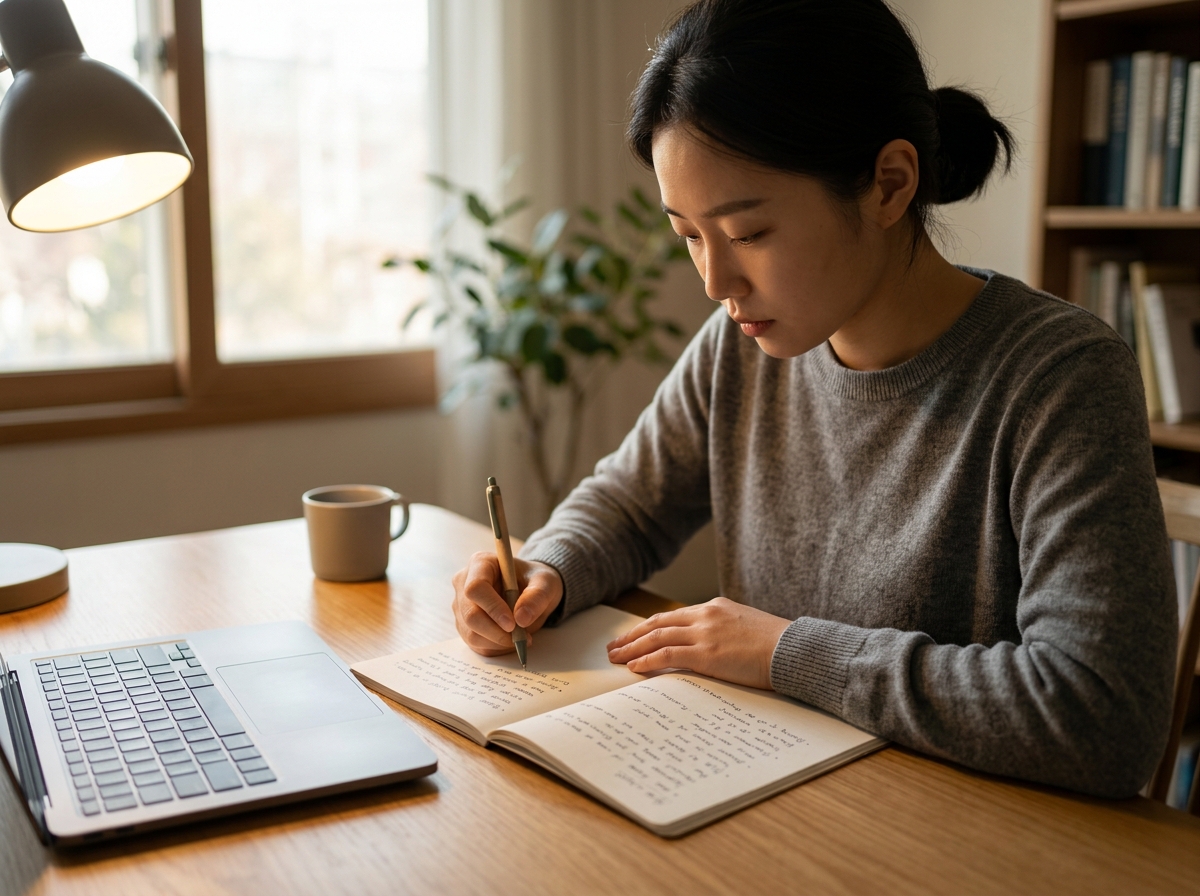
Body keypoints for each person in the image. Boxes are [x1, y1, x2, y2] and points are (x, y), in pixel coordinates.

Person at [450, 0, 1177, 798]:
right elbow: (629, 505)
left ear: (889, 185)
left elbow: (1103, 717)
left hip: (964, 828)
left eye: (747, 233)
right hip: (774, 798)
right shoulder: (740, 347)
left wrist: (784, 653)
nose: (715, 282)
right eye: (689, 235)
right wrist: (547, 567)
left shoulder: (1059, 376)